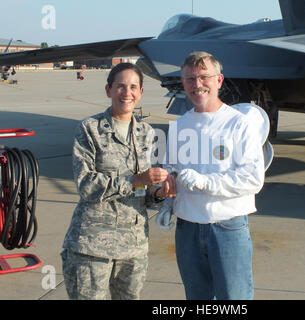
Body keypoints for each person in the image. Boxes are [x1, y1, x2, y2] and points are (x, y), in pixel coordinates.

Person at [61, 62, 176, 300]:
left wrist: (159, 193)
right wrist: (136, 180)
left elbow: (147, 192)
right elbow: (86, 185)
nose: (127, 93)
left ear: (141, 92)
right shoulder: (90, 129)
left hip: (133, 247)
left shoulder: (147, 133)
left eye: (133, 87)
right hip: (92, 246)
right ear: (109, 90)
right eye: (120, 86)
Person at [161, 52, 267, 299]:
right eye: (189, 79)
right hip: (187, 228)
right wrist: (166, 201)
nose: (197, 84)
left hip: (227, 227)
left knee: (234, 299)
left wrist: (206, 182)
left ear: (219, 80)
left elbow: (253, 178)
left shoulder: (238, 124)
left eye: (203, 77)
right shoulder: (179, 126)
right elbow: (171, 172)